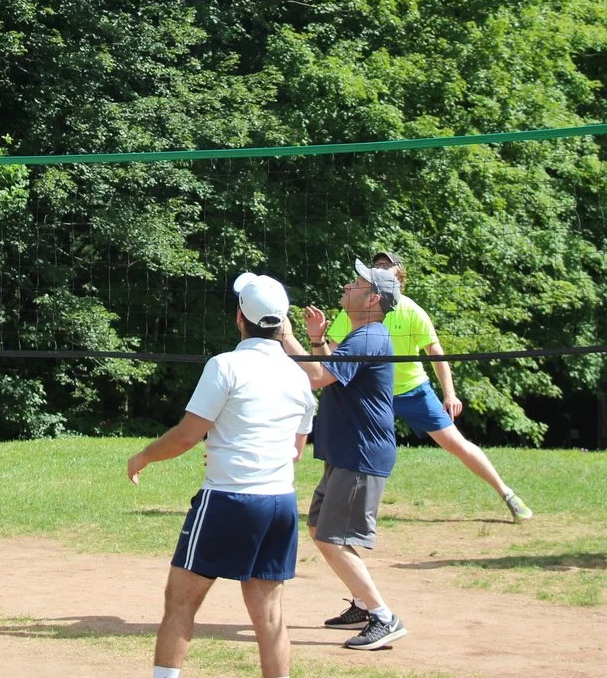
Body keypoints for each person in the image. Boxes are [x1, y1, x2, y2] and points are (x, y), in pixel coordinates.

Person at [128, 272, 315, 678]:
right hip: (280, 503)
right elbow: (295, 452)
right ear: (283, 324)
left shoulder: (225, 365)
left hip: (229, 500)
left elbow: (185, 436)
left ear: (239, 318)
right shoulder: (299, 378)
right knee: (269, 617)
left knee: (180, 603)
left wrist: (142, 457)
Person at [327, 250, 532, 523]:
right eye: (378, 265)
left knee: (456, 444)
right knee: (345, 442)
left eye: (389, 266)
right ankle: (334, 503)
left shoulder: (412, 311)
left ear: (400, 277)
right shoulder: (355, 308)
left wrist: (450, 393)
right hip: (372, 393)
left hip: (412, 390)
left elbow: (436, 352)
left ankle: (507, 495)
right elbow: (330, 353)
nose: (382, 268)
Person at [281, 260, 406, 651]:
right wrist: (315, 339)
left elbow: (316, 377)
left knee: (333, 538)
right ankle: (360, 603)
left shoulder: (369, 337)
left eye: (356, 283)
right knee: (321, 529)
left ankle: (384, 617)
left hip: (360, 456)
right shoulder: (360, 336)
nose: (347, 285)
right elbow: (324, 367)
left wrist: (286, 336)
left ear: (372, 299)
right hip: (346, 453)